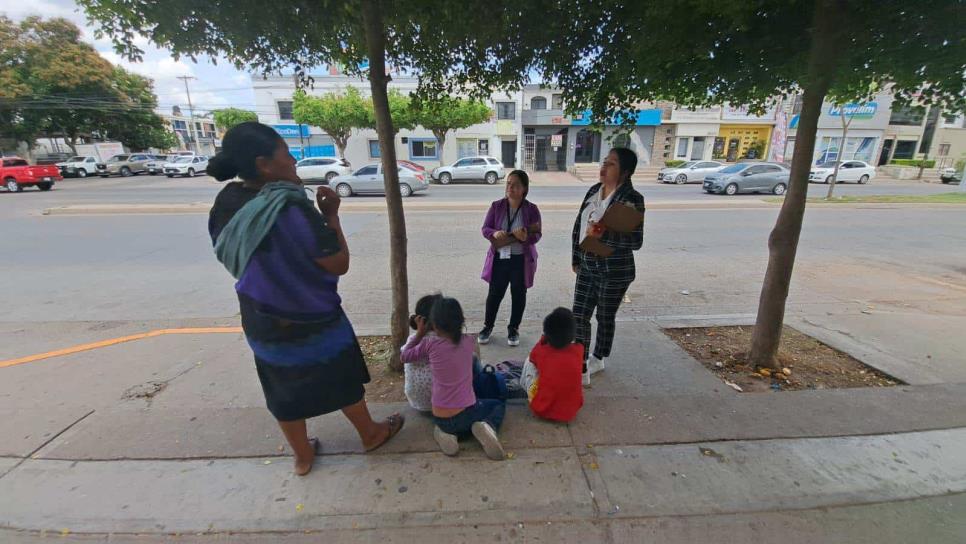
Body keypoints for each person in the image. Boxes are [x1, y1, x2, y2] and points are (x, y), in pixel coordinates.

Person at [206, 121, 404, 476]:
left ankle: (302, 456)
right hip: (313, 316)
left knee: (281, 385)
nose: (294, 161)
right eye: (287, 155)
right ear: (265, 164)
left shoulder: (227, 204)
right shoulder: (289, 207)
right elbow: (337, 263)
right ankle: (370, 433)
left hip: (261, 315)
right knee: (340, 374)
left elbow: (231, 256)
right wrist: (331, 216)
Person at [571, 148, 646, 386]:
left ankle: (599, 357)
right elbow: (579, 224)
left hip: (614, 272)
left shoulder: (632, 200)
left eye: (611, 164)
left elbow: (635, 241)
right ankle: (581, 365)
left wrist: (603, 235)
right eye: (604, 161)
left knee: (604, 316)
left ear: (624, 172)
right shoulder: (594, 190)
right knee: (579, 316)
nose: (604, 167)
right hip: (587, 265)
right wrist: (575, 256)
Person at [401, 297, 507, 460]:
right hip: (468, 413)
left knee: (448, 422)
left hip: (439, 415)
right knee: (497, 405)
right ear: (461, 321)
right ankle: (485, 426)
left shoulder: (429, 344)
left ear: (434, 325)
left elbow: (404, 356)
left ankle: (446, 433)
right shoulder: (469, 342)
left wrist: (419, 334)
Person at [479, 170, 542, 347]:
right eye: (508, 183)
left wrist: (526, 238)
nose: (510, 188)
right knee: (494, 295)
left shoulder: (531, 209)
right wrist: (495, 233)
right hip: (500, 259)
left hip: (520, 260)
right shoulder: (497, 206)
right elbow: (485, 229)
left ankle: (513, 329)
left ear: (524, 189)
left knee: (519, 295)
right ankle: (487, 326)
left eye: (515, 185)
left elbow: (537, 234)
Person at [520, 308, 585, 422]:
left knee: (529, 360)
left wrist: (543, 340)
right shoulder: (579, 350)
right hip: (571, 411)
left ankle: (523, 385)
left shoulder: (542, 351)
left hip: (542, 409)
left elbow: (533, 358)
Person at [403, 293, 442, 412]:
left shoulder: (412, 340)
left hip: (416, 401)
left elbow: (403, 355)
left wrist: (419, 335)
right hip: (440, 403)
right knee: (471, 359)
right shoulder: (441, 341)